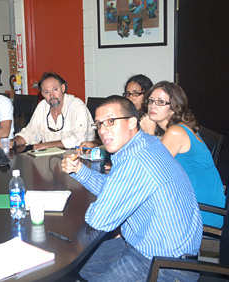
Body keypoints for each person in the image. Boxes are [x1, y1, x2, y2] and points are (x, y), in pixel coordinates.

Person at [62, 95, 202, 281]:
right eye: (99, 124)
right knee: (79, 261)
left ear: (132, 122)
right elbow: (115, 189)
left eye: (111, 121)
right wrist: (80, 170)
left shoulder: (136, 160)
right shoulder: (144, 143)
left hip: (167, 266)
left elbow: (99, 219)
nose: (103, 130)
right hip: (143, 245)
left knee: (76, 256)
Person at [142, 81, 226, 228]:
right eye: (151, 101)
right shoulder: (178, 129)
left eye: (161, 102)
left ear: (174, 108)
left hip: (202, 213)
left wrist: (148, 133)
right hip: (200, 203)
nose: (153, 106)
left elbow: (151, 171)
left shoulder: (175, 132)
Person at [12, 72, 96, 150]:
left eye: (55, 89)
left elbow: (79, 139)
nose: (52, 95)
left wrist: (46, 145)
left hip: (78, 157)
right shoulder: (42, 106)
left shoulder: (76, 105)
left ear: (63, 88)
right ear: (43, 94)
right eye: (47, 92)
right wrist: (13, 142)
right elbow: (30, 132)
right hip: (50, 158)